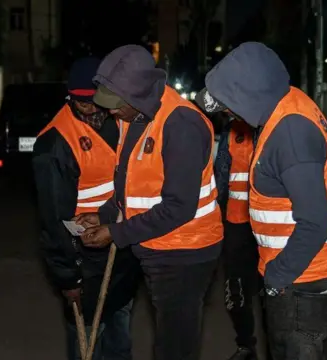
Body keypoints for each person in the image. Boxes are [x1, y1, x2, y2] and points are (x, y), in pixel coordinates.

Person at [197, 41, 327, 360]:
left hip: (304, 282)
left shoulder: (289, 133)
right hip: (302, 276)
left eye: (228, 105)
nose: (227, 114)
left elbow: (315, 221)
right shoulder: (284, 105)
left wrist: (277, 277)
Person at [75, 45, 223, 360]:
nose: (111, 112)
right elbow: (133, 183)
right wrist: (103, 215)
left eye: (117, 105)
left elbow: (179, 207)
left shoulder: (181, 124)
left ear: (139, 95)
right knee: (168, 340)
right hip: (157, 244)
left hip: (185, 253)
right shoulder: (134, 116)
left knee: (174, 348)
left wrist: (116, 233)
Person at [32, 57, 140, 360]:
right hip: (86, 258)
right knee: (88, 343)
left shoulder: (118, 119)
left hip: (121, 247)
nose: (91, 109)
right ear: (70, 98)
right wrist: (68, 279)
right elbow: (53, 221)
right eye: (82, 103)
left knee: (120, 332)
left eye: (96, 101)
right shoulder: (55, 144)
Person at [208, 115, 260, 360]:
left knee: (273, 291)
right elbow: (222, 176)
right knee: (236, 288)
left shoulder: (274, 125)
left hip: (271, 228)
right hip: (236, 224)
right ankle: (246, 344)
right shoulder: (231, 130)